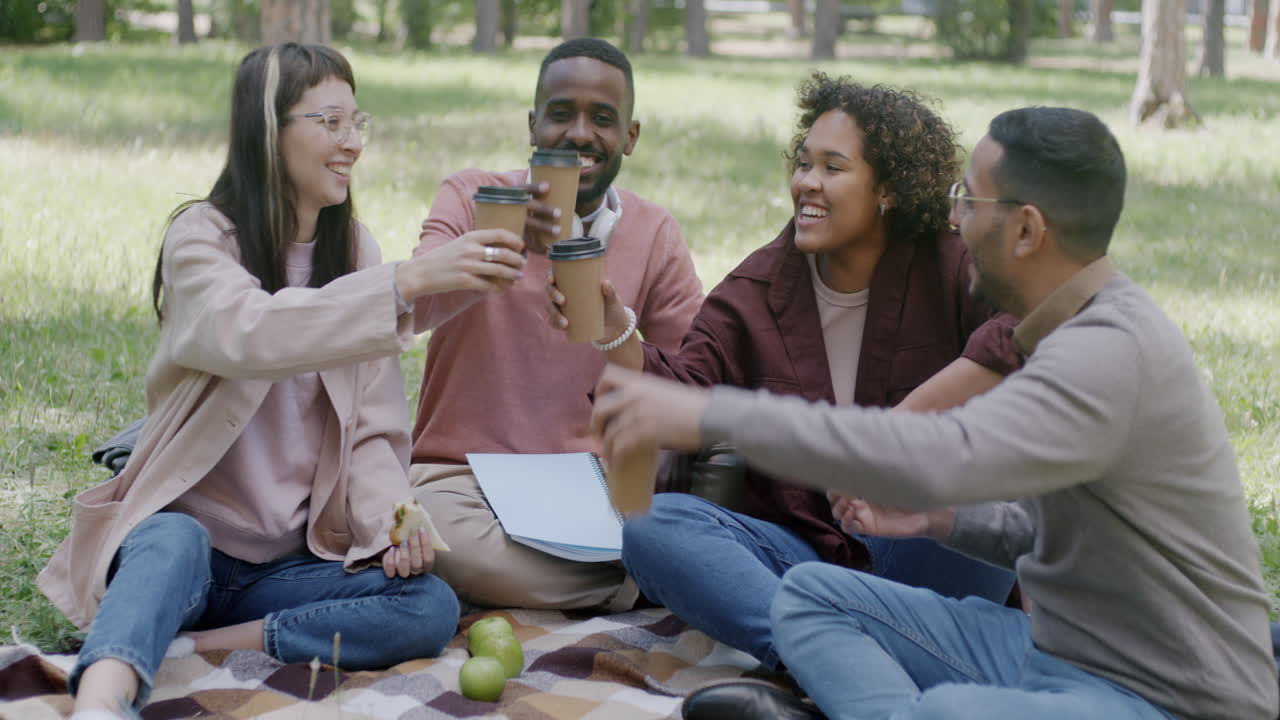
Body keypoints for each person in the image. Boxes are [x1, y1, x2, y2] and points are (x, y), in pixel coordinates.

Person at [589, 107, 1280, 720]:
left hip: (1167, 692)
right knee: (808, 596)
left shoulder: (1106, 352)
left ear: (1026, 229)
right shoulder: (1062, 329)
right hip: (1053, 650)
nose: (953, 217)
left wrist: (712, 416)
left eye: (968, 199)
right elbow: (1049, 529)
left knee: (949, 710)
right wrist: (937, 521)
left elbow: (937, 450)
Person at [38, 43, 527, 719]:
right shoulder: (201, 240)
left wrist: (395, 517)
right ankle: (100, 701)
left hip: (287, 567)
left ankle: (198, 645)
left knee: (429, 605)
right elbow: (252, 332)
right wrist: (407, 284)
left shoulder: (353, 252)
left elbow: (372, 424)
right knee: (167, 545)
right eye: (330, 123)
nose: (352, 143)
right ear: (268, 129)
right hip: (189, 541)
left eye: (358, 123)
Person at [548, 73, 1018, 670]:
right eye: (802, 164)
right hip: (809, 552)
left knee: (1001, 479)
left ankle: (836, 656)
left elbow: (1030, 334)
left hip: (923, 546)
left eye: (832, 167)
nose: (806, 183)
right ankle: (827, 658)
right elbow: (682, 393)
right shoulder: (758, 287)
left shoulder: (953, 264)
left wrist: (895, 433)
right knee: (654, 528)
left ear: (888, 190)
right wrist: (616, 329)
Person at [407, 37, 704, 612]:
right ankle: (638, 585)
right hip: (461, 475)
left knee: (675, 524)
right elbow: (410, 305)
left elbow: (690, 383)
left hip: (592, 485)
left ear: (631, 137)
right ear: (533, 124)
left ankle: (619, 571)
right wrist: (506, 238)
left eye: (603, 119)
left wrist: (618, 331)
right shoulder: (473, 197)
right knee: (446, 544)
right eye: (561, 114)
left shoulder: (654, 233)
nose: (579, 134)